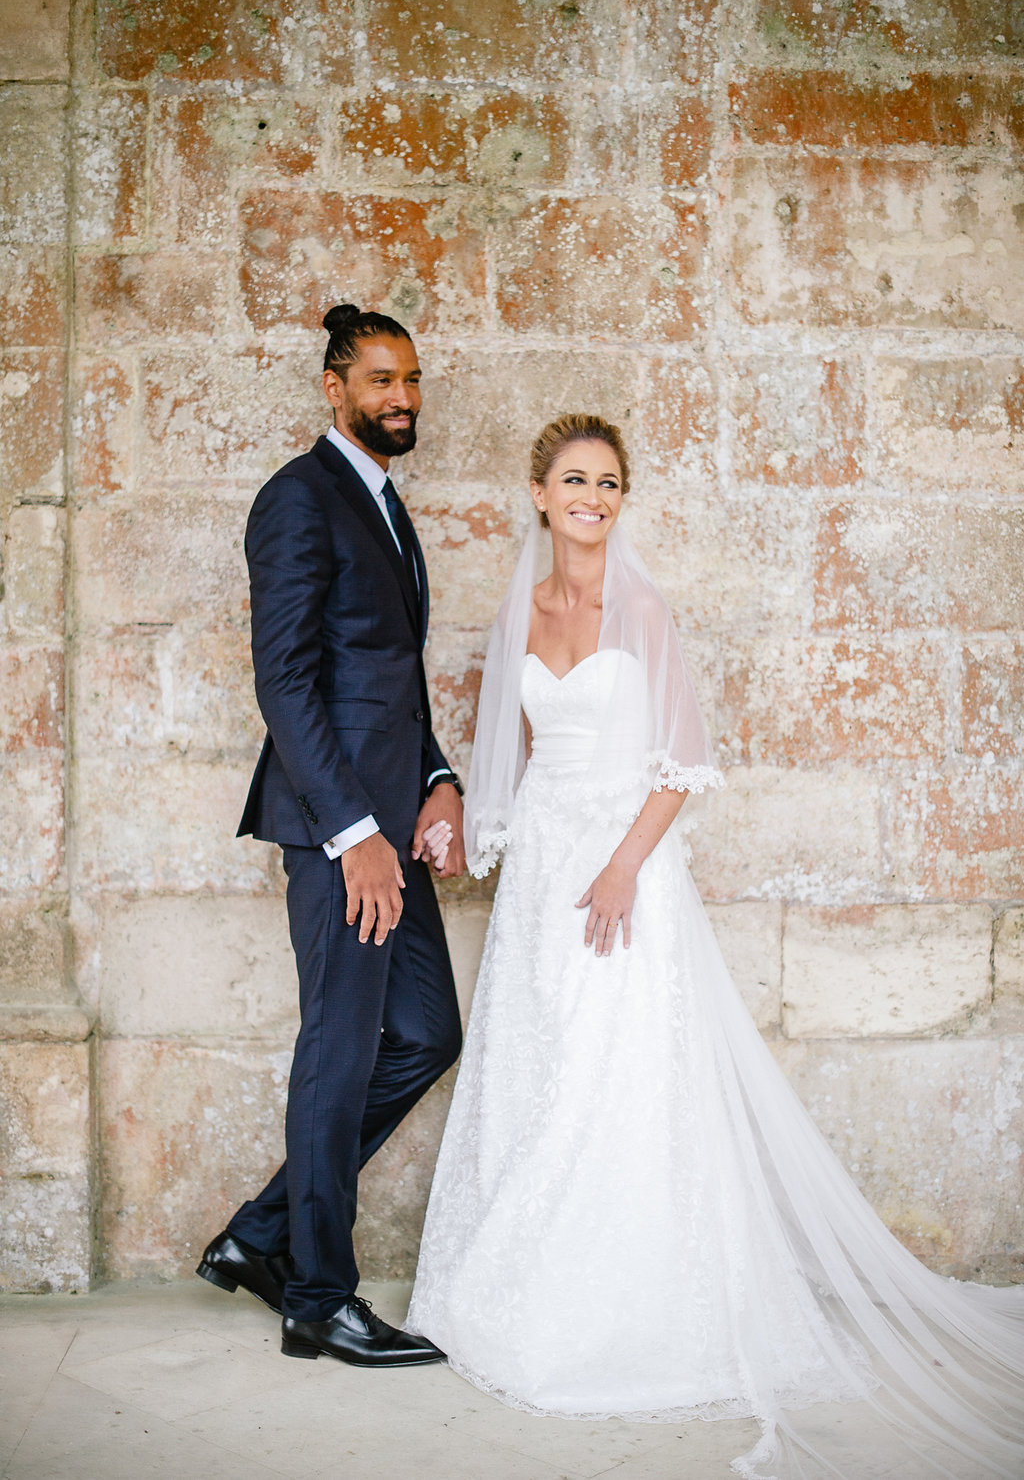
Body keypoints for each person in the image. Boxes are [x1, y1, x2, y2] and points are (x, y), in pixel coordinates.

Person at [406, 414, 1024, 1477]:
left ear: (620, 499)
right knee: (541, 1067)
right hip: (543, 869)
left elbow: (681, 760)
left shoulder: (640, 608)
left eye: (609, 482)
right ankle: (527, 1287)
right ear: (540, 494)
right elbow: (518, 749)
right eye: (574, 480)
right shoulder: (524, 609)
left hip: (622, 868)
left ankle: (629, 1308)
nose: (592, 497)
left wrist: (619, 867)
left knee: (615, 1074)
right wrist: (481, 834)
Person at [197, 303, 465, 1367]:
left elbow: (387, 682)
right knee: (340, 1052)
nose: (401, 396)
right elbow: (286, 680)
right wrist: (355, 833)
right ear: (334, 387)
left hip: (393, 825)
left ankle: (260, 1236)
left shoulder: (385, 505)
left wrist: (437, 780)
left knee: (427, 1033)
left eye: (411, 378)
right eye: (380, 379)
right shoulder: (298, 497)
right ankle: (317, 1297)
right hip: (338, 835)